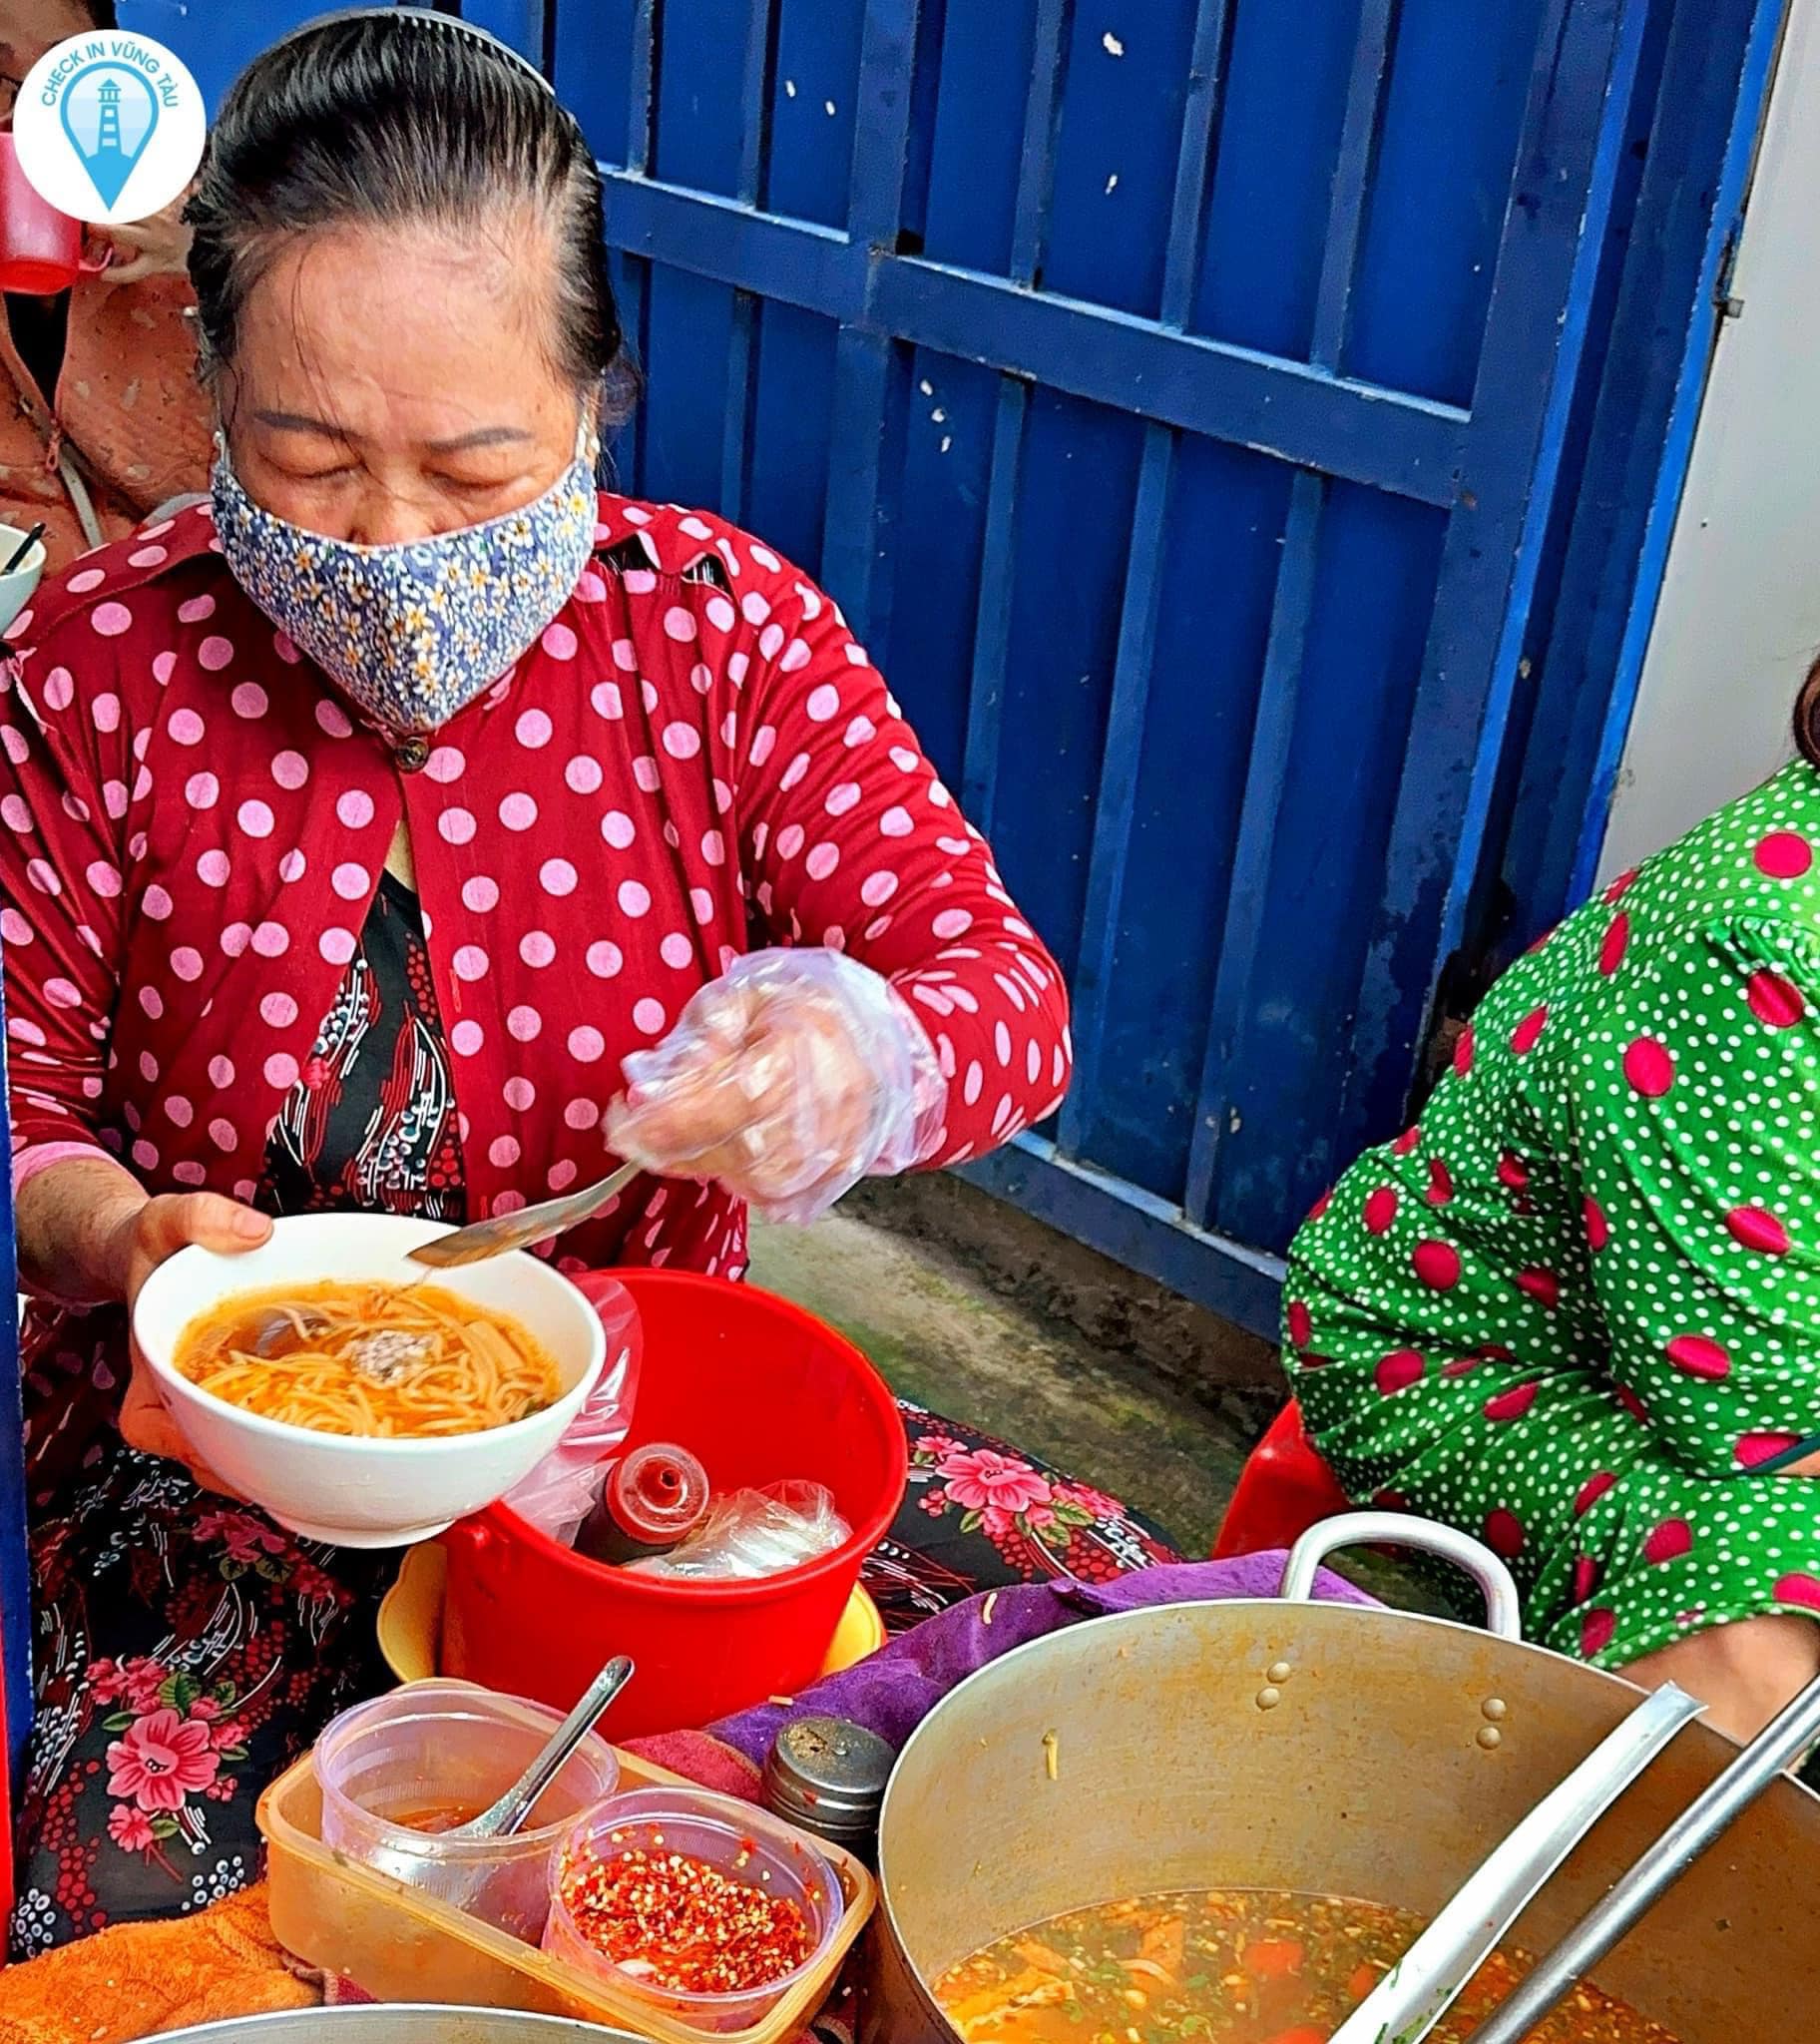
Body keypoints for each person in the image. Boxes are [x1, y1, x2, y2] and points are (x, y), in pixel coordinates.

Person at [1, 11, 1175, 1955]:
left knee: (1069, 1664)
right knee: (146, 1911)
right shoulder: (100, 676)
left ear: (598, 395)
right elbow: (18, 1105)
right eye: (307, 459)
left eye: (475, 470)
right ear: (209, 394)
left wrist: (853, 1057)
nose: (388, 544)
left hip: (634, 1457)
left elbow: (999, 989)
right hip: (211, 1466)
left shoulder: (718, 636)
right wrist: (124, 1235)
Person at [1285, 665, 1820, 1749]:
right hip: (1458, 1347)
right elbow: (1741, 1409)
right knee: (1771, 1581)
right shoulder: (1764, 931)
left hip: (1694, 1350)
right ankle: (1556, 1897)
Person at [0, 0, 210, 569]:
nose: (25, 124)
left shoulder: (217, 221)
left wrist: (203, 261)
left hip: (186, 606)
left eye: (60, 84)